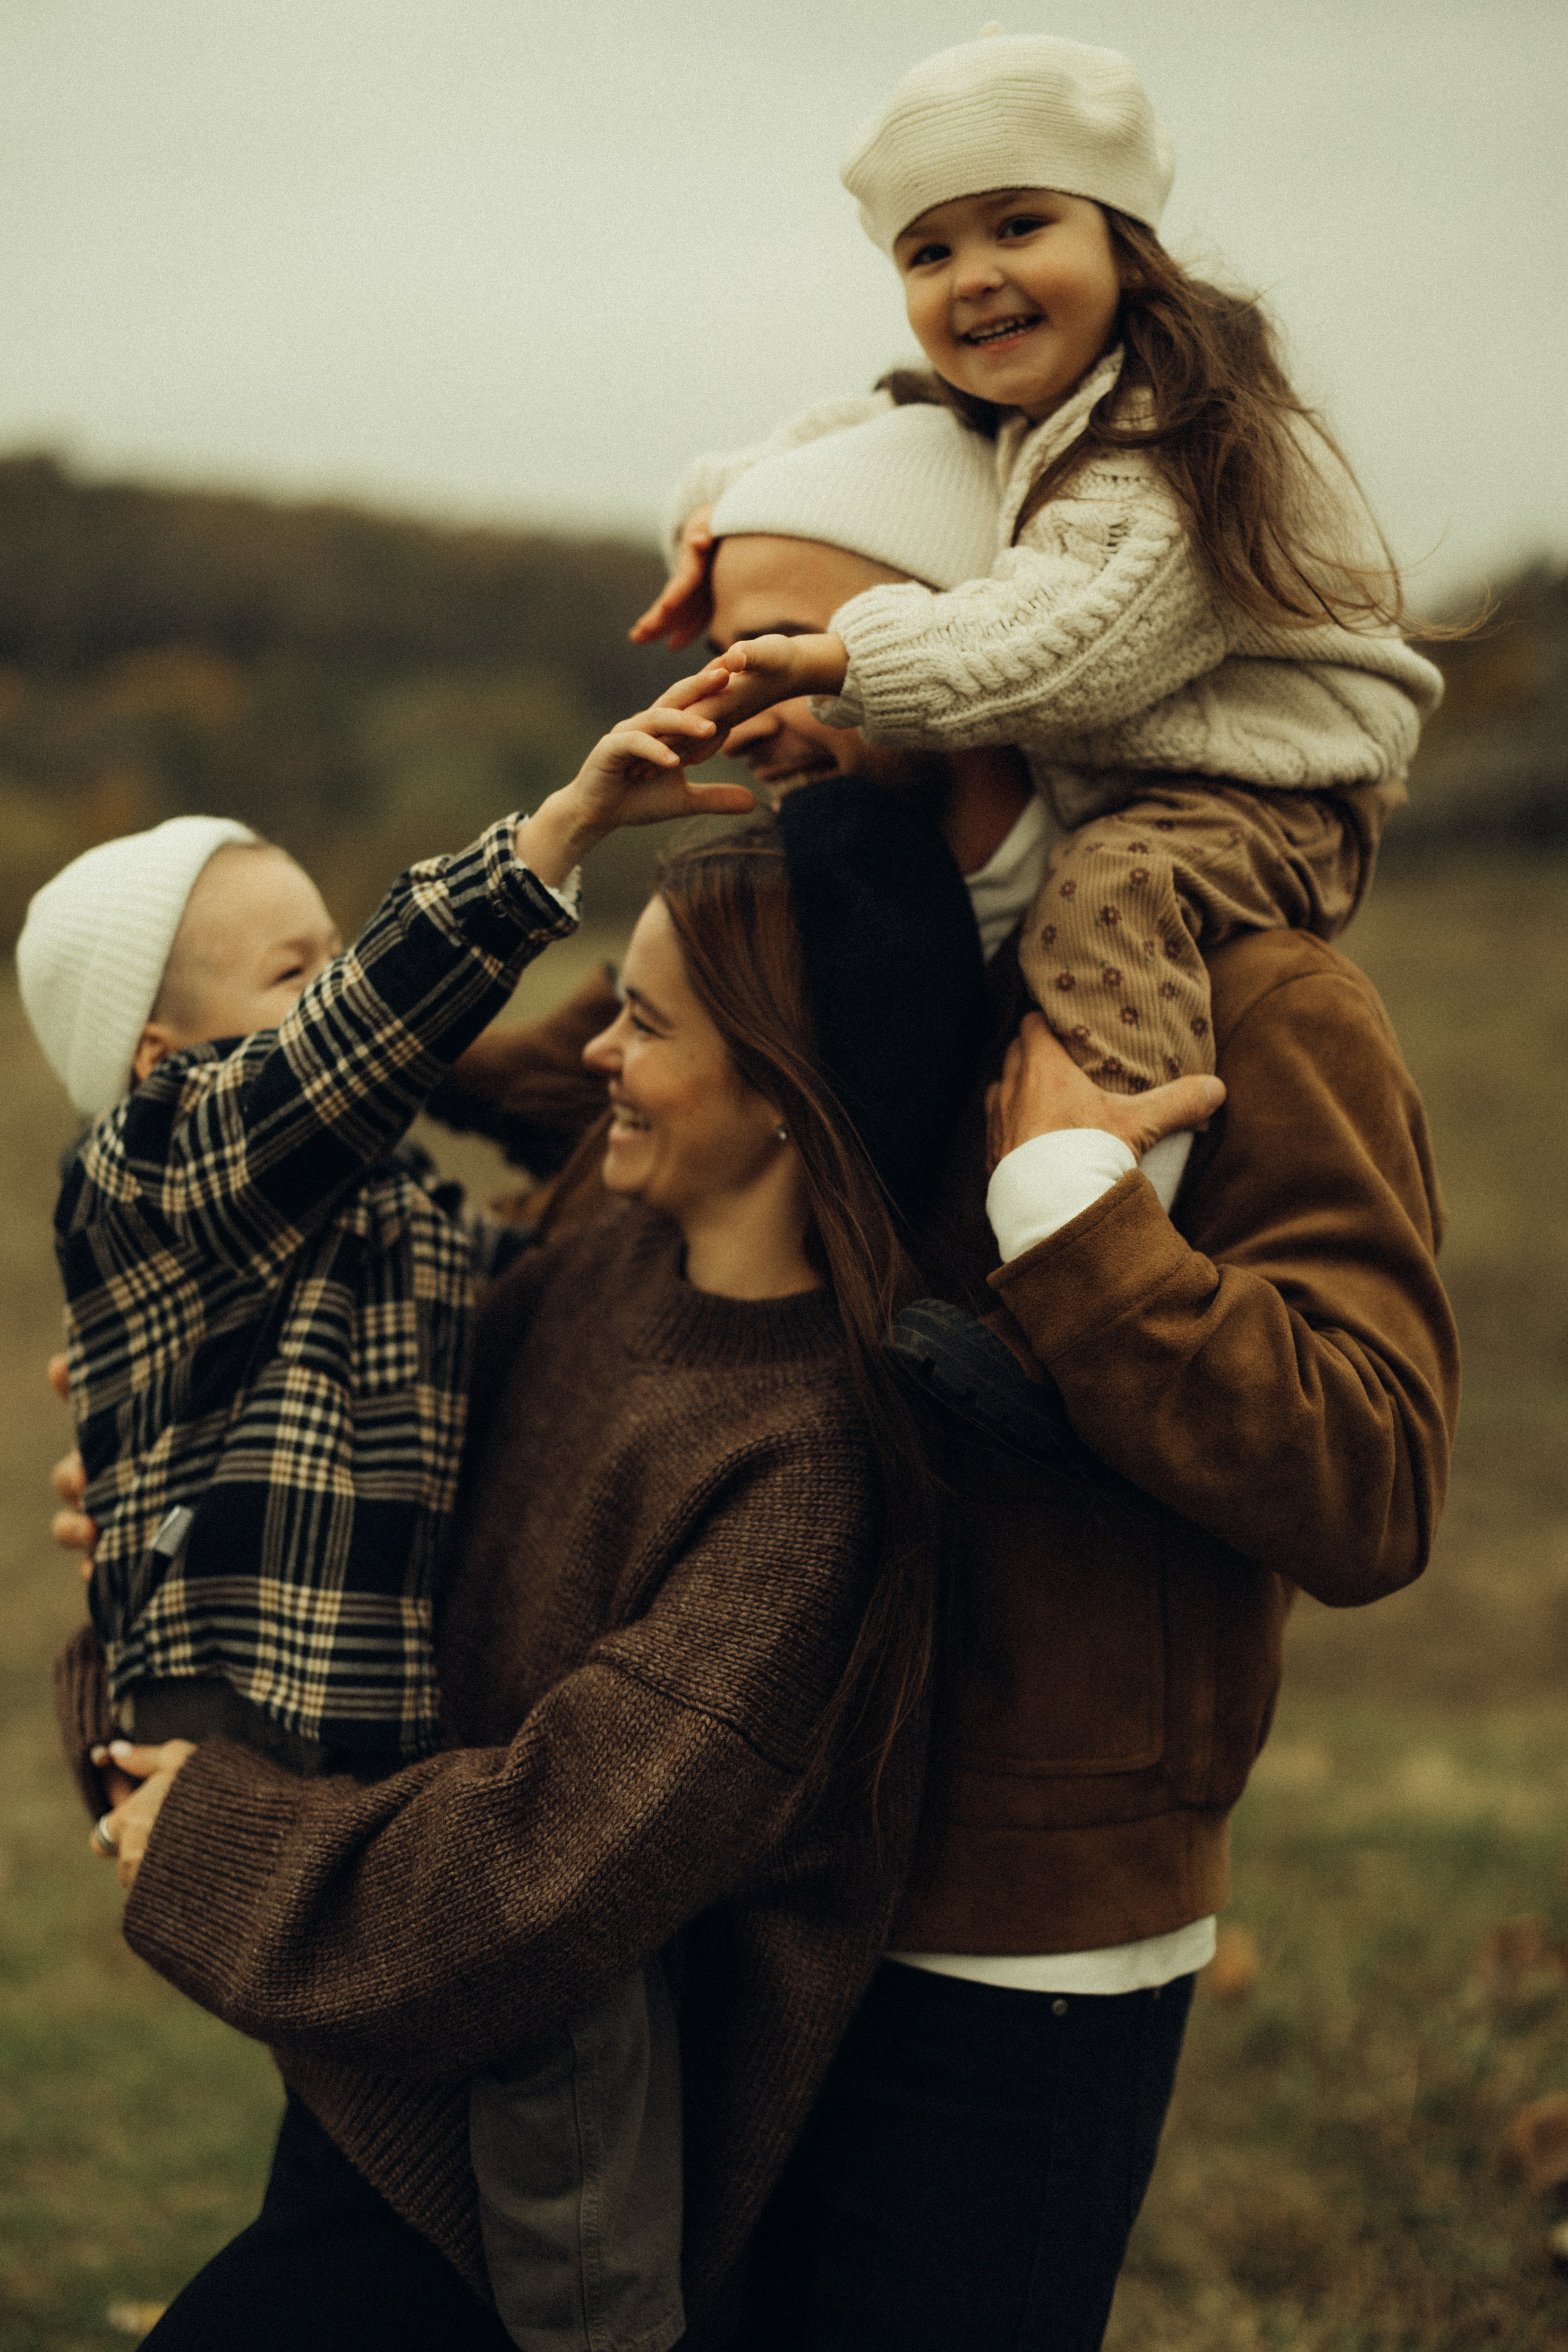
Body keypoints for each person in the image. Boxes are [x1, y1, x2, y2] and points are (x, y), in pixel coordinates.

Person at [55, 776, 1055, 2352]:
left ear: (787, 1085)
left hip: (501, 2205)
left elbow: (545, 1873)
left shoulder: (805, 1473)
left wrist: (207, 1834)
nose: (592, 1053)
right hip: (378, 2073)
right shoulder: (584, 1273)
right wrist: (164, 1524)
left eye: (645, 1026)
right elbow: (346, 1499)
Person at [25, 701, 756, 2352]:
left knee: (426, 2120)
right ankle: (599, 2329)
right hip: (260, 1727)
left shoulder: (382, 1212)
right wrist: (557, 834)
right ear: (167, 1063)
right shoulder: (150, 1169)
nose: (341, 993)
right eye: (294, 974)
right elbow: (357, 1045)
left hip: (360, 1723)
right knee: (547, 2028)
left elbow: (545, 1299)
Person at [635, 30, 1444, 1151]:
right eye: (928, 254)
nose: (973, 276)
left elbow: (1055, 641)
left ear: (1124, 239)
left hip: (1273, 790)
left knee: (1103, 901)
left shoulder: (1169, 437)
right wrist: (712, 507)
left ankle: (1093, 1193)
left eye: (1020, 224)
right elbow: (852, 423)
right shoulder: (1035, 403)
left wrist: (838, 657)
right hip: (1160, 775)